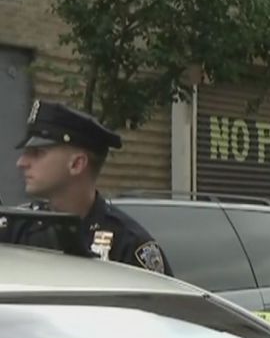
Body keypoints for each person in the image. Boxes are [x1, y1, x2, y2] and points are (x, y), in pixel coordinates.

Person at [0, 99, 173, 275]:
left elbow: (163, 302)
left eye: (37, 153)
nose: (21, 162)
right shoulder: (17, 228)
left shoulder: (128, 246)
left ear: (76, 164)